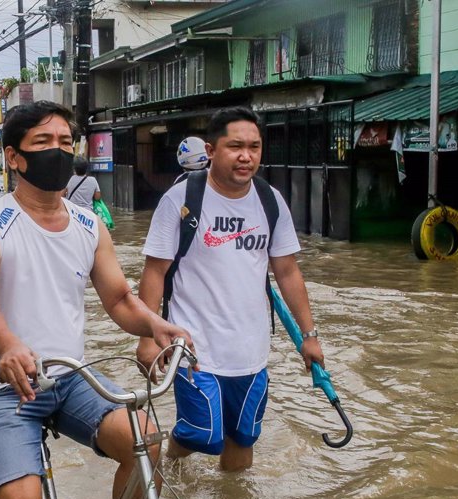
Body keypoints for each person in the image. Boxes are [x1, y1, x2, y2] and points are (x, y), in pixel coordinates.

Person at [0, 100, 193, 499]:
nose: (59, 152)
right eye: (43, 143)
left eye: (66, 142)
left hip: (71, 379)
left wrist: (156, 325)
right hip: (8, 387)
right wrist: (7, 345)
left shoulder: (88, 224)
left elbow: (119, 299)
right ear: (14, 157)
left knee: (147, 439)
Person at [136, 106, 322, 472]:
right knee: (202, 434)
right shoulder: (180, 200)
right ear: (210, 151)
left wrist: (309, 335)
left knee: (242, 439)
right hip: (192, 347)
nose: (246, 156)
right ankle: (171, 467)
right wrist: (145, 337)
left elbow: (287, 272)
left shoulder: (270, 201)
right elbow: (155, 271)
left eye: (254, 147)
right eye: (235, 146)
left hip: (251, 351)